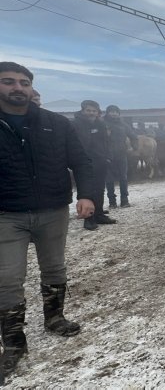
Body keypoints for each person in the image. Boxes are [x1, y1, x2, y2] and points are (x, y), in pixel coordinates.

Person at [0, 62, 93, 381]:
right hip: (6, 214)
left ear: (31, 88)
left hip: (52, 209)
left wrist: (88, 195)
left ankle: (54, 318)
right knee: (8, 279)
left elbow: (80, 160)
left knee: (54, 268)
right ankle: (13, 343)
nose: (17, 88)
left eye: (24, 83)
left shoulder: (56, 124)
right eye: (8, 82)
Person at [72, 100, 116, 229]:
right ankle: (89, 219)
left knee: (100, 189)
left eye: (94, 111)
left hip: (101, 161)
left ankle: (99, 214)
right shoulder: (75, 125)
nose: (91, 113)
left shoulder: (101, 125)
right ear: (83, 110)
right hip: (84, 162)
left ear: (97, 112)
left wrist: (108, 157)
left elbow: (107, 142)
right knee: (87, 191)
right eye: (88, 110)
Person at [103, 105, 138, 209]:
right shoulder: (102, 124)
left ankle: (124, 200)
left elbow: (134, 136)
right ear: (107, 113)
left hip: (121, 154)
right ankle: (112, 202)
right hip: (107, 156)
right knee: (109, 179)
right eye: (111, 111)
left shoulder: (123, 125)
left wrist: (134, 147)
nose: (113, 113)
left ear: (118, 113)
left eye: (116, 112)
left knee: (123, 178)